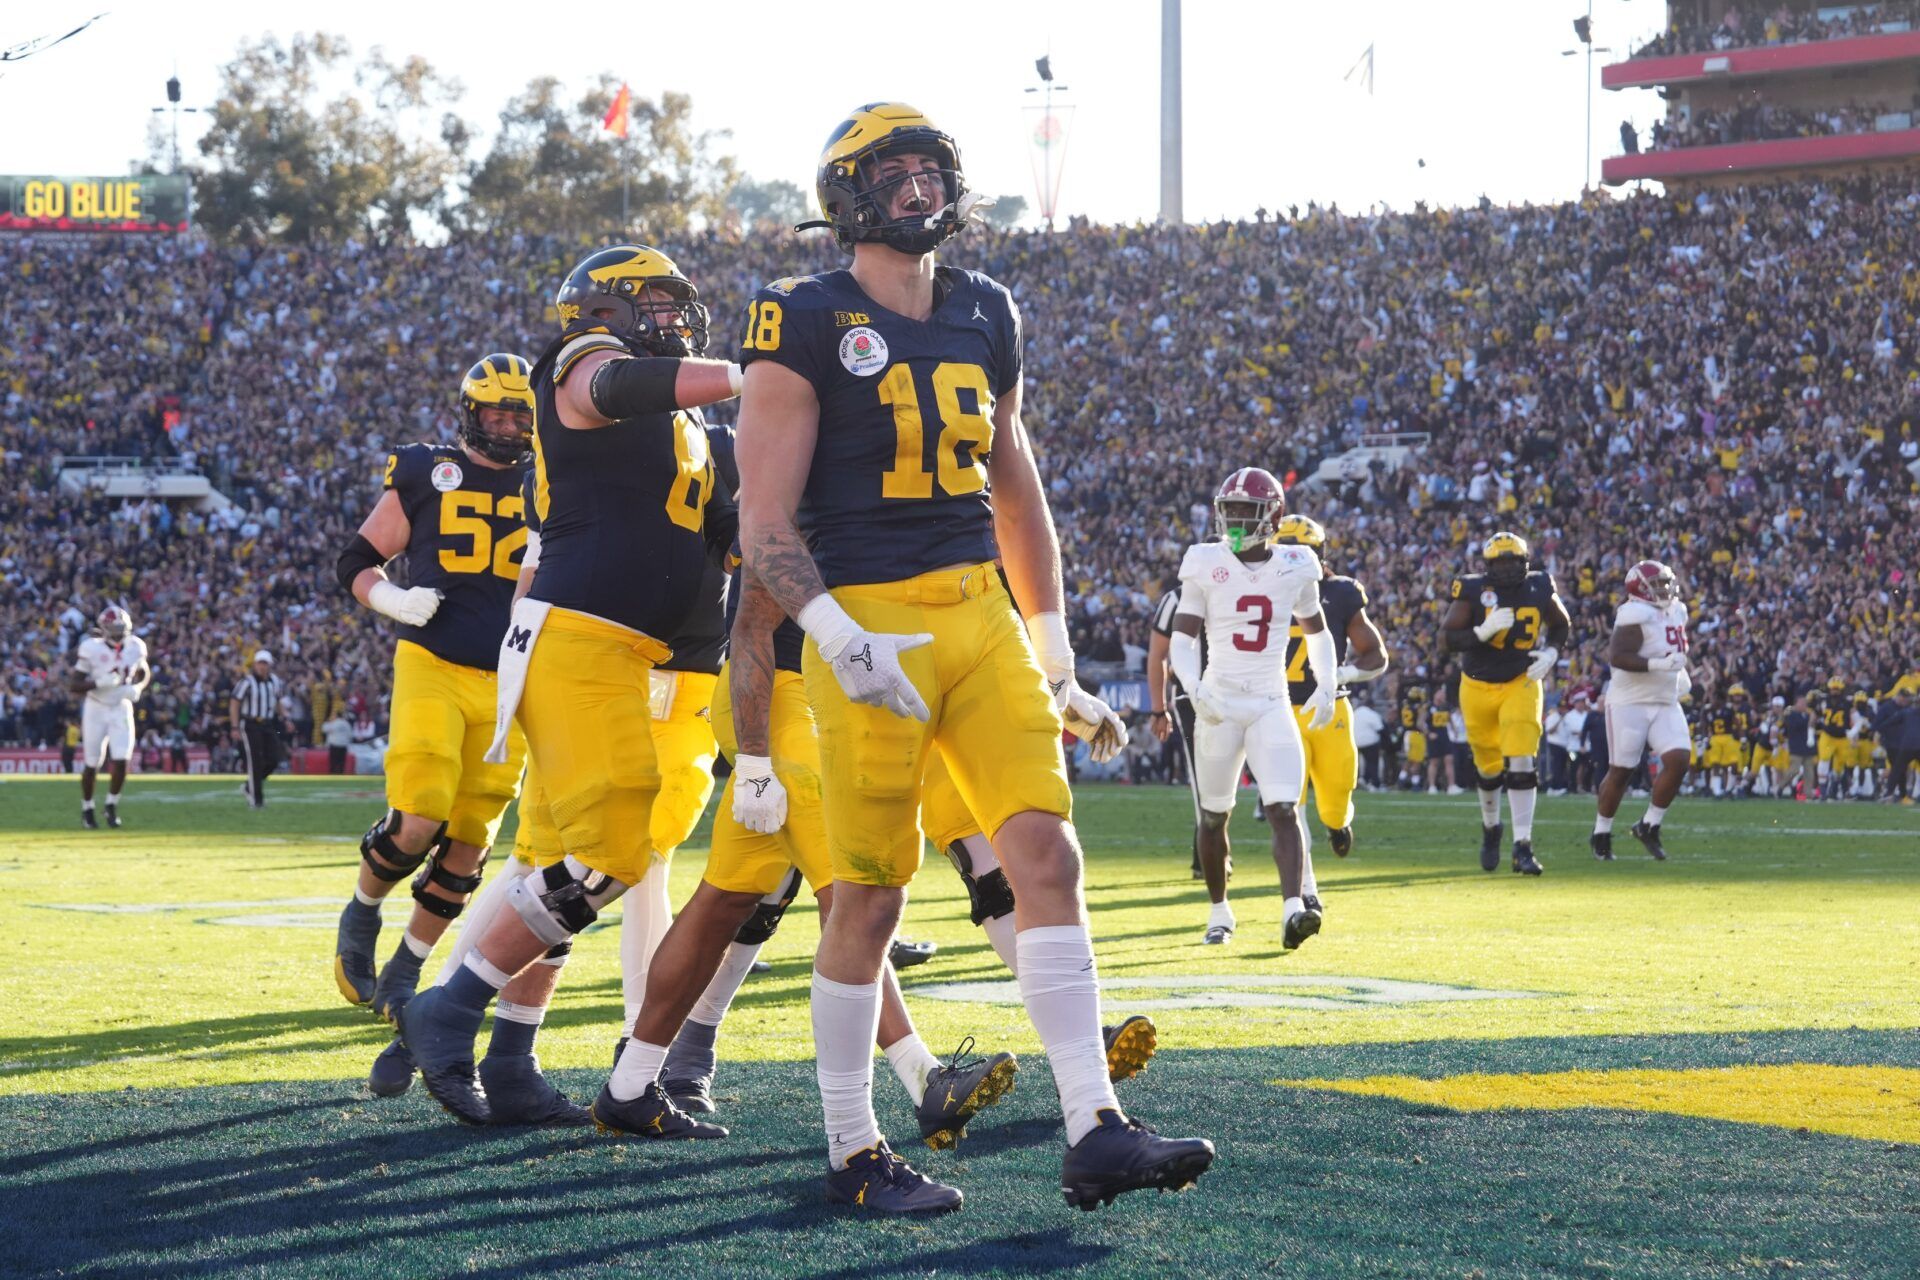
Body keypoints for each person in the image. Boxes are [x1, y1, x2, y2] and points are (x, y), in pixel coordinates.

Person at [734, 102, 1208, 1214]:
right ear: (845, 195)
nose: (913, 188)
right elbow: (762, 519)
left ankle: (1095, 1122)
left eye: (926, 169)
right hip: (870, 617)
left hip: (979, 613)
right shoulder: (800, 314)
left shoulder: (988, 308)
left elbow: (1015, 485)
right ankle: (854, 1146)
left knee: (1047, 858)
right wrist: (839, 639)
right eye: (888, 173)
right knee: (870, 893)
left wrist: (1055, 651)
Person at [400, 244, 743, 1128]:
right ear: (607, 307)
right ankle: (448, 1008)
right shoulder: (579, 363)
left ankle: (508, 1055)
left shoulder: (690, 431)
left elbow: (725, 533)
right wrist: (754, 373)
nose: (675, 316)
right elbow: (613, 387)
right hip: (580, 635)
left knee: (552, 863)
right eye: (658, 302)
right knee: (613, 845)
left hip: (623, 649)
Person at [330, 354, 534, 1017]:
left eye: (520, 414)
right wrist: (388, 600)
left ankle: (406, 968)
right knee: (420, 814)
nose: (508, 426)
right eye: (498, 413)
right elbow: (358, 560)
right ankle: (362, 914)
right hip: (435, 662)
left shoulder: (552, 480)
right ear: (471, 412)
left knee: (472, 835)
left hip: (514, 680)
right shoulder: (428, 470)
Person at [1170, 470, 1335, 949]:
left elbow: (1318, 630)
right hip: (1219, 703)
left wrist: (1327, 682)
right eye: (1232, 510)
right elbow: (1183, 636)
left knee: (1284, 807)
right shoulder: (1204, 560)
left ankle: (1292, 911)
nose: (1237, 520)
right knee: (1214, 815)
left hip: (1269, 700)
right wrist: (1193, 684)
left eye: (1248, 511)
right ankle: (1219, 912)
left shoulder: (1297, 563)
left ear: (1274, 516)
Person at [1440, 532, 1570, 875]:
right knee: (1488, 767)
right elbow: (1447, 640)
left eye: (1515, 560)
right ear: (1488, 566)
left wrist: (1553, 652)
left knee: (1523, 761)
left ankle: (1522, 845)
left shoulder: (1540, 586)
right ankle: (1491, 827)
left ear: (1525, 561)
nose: (1509, 568)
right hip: (1478, 686)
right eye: (1501, 562)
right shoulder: (1471, 590)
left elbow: (1561, 624)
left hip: (1521, 680)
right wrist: (1481, 632)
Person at [1273, 514, 1389, 863]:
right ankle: (1305, 886)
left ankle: (1338, 826)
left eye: (1299, 554)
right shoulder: (1259, 592)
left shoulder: (1339, 593)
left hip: (1328, 706)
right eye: (1285, 553)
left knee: (1336, 799)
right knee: (1291, 802)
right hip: (1278, 708)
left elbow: (1376, 655)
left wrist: (1345, 674)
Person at [1592, 560, 1689, 862]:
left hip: (1664, 700)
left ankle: (1649, 825)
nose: (1663, 589)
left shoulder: (1678, 610)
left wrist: (1680, 674)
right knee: (1622, 771)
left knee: (1679, 759)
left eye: (1665, 583)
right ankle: (1601, 833)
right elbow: (1618, 656)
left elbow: (1672, 648)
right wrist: (1659, 665)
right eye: (1656, 584)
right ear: (1639, 589)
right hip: (1629, 702)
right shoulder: (1633, 613)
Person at [70, 604, 150, 829]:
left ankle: (111, 804)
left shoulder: (135, 646)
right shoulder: (91, 648)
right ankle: (87, 808)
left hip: (121, 706)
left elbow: (143, 671)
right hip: (96, 707)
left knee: (123, 759)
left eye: (120, 628)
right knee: (92, 762)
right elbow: (74, 685)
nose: (117, 632)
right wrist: (97, 683)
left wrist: (139, 687)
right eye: (113, 628)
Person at [1147, 580, 1206, 876]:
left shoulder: (1238, 586)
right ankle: (1208, 855)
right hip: (1190, 699)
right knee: (1202, 779)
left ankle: (1209, 852)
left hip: (1234, 694)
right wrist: (1159, 708)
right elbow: (1157, 654)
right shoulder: (1177, 598)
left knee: (1224, 782)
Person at [230, 650, 286, 808]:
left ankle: (250, 786)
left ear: (269, 665)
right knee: (254, 761)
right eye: (259, 663)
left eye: (265, 663)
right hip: (250, 723)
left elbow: (277, 701)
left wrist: (285, 718)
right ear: (255, 664)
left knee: (274, 759)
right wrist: (234, 726)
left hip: (267, 723)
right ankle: (256, 801)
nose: (262, 667)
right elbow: (235, 703)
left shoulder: (274, 681)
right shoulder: (247, 682)